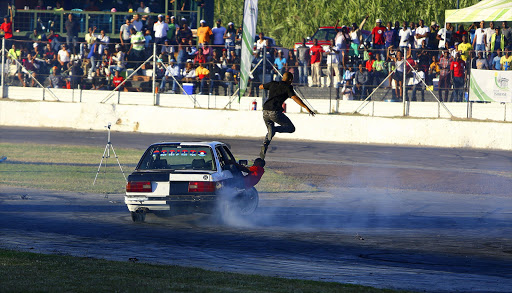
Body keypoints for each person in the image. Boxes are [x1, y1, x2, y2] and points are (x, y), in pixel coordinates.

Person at [258, 72, 315, 159]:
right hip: (275, 112)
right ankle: (275, 129)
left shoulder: (273, 83)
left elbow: (261, 86)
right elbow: (295, 98)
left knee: (270, 131)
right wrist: (306, 108)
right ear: (290, 80)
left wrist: (269, 88)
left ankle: (265, 144)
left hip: (265, 111)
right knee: (291, 128)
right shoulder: (288, 87)